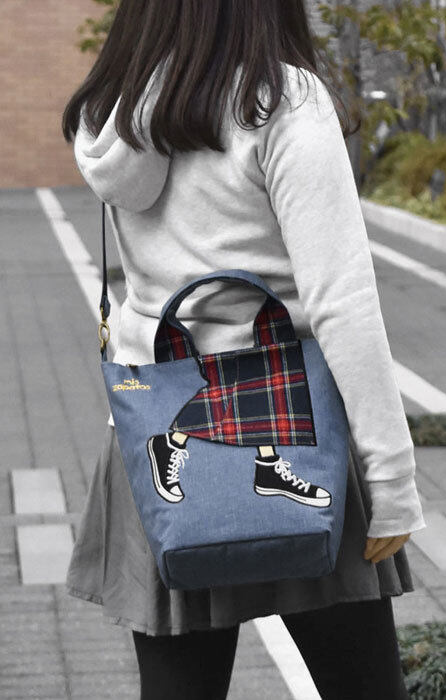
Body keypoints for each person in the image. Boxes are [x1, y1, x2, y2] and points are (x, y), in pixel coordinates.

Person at [61, 1, 427, 699]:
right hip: (291, 429)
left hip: (158, 441)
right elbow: (342, 301)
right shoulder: (280, 101)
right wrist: (392, 479)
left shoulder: (114, 114)